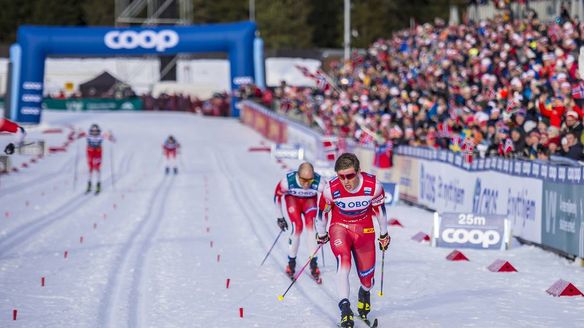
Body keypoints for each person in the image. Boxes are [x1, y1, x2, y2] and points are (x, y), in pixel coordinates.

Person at [315, 153, 390, 327]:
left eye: (350, 176)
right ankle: (345, 307)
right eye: (341, 176)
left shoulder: (374, 186)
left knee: (368, 280)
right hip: (339, 228)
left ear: (359, 172)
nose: (346, 181)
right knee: (344, 263)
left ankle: (364, 293)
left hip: (364, 230)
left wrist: (384, 234)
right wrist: (321, 233)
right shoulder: (330, 189)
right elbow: (323, 213)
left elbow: (380, 211)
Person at [273, 162, 325, 282]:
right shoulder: (287, 181)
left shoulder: (320, 182)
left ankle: (313, 264)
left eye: (310, 180)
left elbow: (328, 198)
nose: (306, 184)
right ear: (297, 175)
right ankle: (291, 264)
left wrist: (323, 217)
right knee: (297, 227)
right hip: (293, 201)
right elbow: (277, 197)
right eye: (303, 180)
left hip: (309, 202)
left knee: (312, 228)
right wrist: (279, 217)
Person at [85, 124, 113, 194]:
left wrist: (110, 135)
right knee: (90, 167)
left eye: (96, 131)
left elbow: (111, 138)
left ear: (98, 131)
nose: (94, 133)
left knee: (97, 167)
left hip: (98, 152)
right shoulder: (89, 137)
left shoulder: (100, 137)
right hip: (90, 152)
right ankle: (89, 184)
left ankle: (98, 184)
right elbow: (80, 134)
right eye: (93, 131)